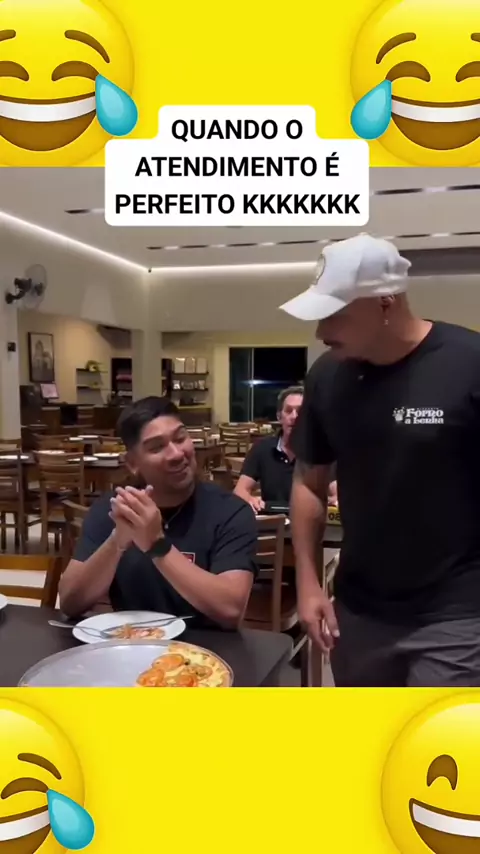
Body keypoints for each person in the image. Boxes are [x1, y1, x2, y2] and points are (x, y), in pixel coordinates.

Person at [280, 233, 480, 688]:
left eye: (335, 314)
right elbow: (309, 481)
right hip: (359, 610)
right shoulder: (327, 376)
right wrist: (308, 584)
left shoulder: (469, 363)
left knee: (436, 730)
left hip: (457, 613)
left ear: (386, 302)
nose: (321, 331)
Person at [59, 397, 258, 628]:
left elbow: (231, 609)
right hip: (131, 643)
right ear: (132, 463)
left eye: (180, 438)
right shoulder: (114, 510)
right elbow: (69, 603)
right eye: (157, 447)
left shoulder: (230, 511)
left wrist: (156, 545)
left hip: (206, 648)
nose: (176, 454)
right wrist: (116, 542)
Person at [234, 386, 338, 513]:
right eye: (288, 411)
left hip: (308, 519)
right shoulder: (262, 447)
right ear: (279, 416)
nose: (294, 416)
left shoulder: (321, 451)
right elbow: (240, 490)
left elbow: (336, 491)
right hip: (273, 520)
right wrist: (249, 499)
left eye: (300, 411)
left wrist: (335, 499)